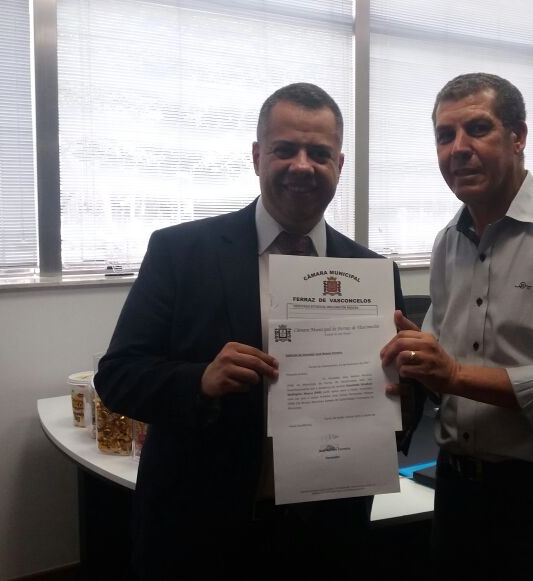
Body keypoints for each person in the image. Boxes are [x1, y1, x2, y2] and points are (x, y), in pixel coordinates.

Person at [97, 82, 419, 579]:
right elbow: (118, 376)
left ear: (339, 164)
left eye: (319, 153)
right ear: (256, 156)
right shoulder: (180, 252)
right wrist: (201, 381)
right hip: (201, 535)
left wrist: (409, 385)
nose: (302, 166)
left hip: (328, 536)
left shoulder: (372, 272)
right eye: (284, 149)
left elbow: (399, 411)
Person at [380, 73, 533, 579]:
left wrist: (454, 375)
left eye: (477, 129)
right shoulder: (448, 242)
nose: (458, 148)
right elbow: (443, 367)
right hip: (457, 493)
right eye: (445, 136)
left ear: (519, 137)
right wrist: (411, 367)